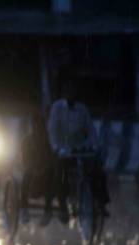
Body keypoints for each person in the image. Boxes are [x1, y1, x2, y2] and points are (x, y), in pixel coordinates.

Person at [47, 79, 110, 225]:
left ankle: (101, 202)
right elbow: (52, 131)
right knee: (60, 173)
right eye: (69, 90)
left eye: (74, 90)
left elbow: (91, 131)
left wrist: (94, 146)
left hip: (80, 150)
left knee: (97, 170)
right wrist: (56, 148)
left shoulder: (82, 109)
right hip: (63, 151)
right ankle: (62, 204)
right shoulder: (57, 108)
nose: (72, 93)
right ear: (64, 93)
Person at [20, 111, 64, 224]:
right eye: (36, 125)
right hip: (32, 171)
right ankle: (24, 208)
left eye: (41, 126)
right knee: (26, 175)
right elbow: (25, 160)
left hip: (45, 170)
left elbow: (52, 157)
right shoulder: (26, 141)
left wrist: (44, 169)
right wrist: (35, 170)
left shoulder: (49, 141)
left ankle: (48, 211)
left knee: (52, 176)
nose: (39, 128)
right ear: (33, 126)